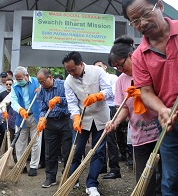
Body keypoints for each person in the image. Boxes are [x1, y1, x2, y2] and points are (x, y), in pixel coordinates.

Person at [122, 0, 178, 195]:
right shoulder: (139, 55)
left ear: (160, 6)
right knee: (172, 183)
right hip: (171, 124)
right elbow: (146, 92)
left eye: (146, 14)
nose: (142, 23)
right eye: (135, 21)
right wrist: (162, 109)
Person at [105, 35, 160, 196]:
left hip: (161, 131)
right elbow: (123, 108)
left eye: (121, 65)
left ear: (131, 56)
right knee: (144, 181)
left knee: (167, 178)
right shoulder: (121, 81)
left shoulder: (149, 69)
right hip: (139, 136)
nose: (120, 70)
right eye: (117, 68)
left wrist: (143, 94)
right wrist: (114, 122)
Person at [62, 51, 113, 196]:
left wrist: (98, 96)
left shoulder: (97, 71)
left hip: (101, 117)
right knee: (76, 150)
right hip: (83, 120)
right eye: (68, 71)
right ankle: (74, 178)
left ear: (81, 64)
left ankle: (91, 184)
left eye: (73, 69)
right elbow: (72, 103)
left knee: (98, 151)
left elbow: (109, 91)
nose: (71, 73)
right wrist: (76, 118)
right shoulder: (68, 81)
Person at [36, 68, 72, 188]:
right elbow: (42, 108)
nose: (41, 84)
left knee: (68, 151)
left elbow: (71, 100)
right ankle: (50, 178)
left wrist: (58, 100)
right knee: (50, 152)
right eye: (39, 82)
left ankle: (69, 176)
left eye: (43, 81)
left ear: (50, 78)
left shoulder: (64, 85)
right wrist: (42, 119)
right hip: (50, 123)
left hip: (65, 121)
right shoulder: (41, 90)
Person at [10, 66, 41, 176]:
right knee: (20, 142)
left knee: (36, 142)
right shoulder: (14, 86)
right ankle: (21, 165)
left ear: (26, 76)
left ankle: (33, 166)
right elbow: (13, 101)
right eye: (17, 79)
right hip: (22, 117)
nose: (19, 81)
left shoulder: (37, 82)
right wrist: (20, 110)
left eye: (20, 79)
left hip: (35, 116)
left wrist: (40, 90)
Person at [94, 60, 121, 179]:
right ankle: (102, 166)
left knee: (110, 139)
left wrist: (101, 94)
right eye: (96, 67)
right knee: (99, 138)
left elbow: (114, 93)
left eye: (100, 66)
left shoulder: (113, 77)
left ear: (105, 67)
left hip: (111, 108)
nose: (98, 69)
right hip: (98, 109)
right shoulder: (95, 80)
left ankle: (115, 169)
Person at [0, 78, 17, 147]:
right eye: (7, 84)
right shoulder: (2, 94)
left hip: (15, 115)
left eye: (10, 84)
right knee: (7, 134)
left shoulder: (15, 93)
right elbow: (0, 105)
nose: (8, 85)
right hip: (6, 116)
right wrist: (3, 113)